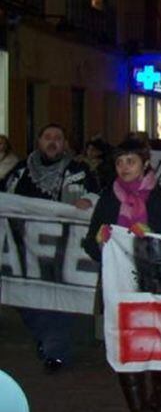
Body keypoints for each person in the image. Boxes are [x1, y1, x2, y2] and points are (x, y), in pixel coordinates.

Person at [83, 138, 161, 412]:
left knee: (158, 342)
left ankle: (157, 394)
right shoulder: (108, 198)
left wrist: (151, 235)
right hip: (120, 287)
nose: (124, 167)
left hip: (157, 285)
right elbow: (91, 246)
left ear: (145, 164)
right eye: (119, 162)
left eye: (131, 161)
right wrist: (98, 240)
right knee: (126, 347)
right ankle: (138, 409)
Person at [1, 124, 99, 373]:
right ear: (39, 141)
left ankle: (56, 351)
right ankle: (47, 340)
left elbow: (97, 194)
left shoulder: (78, 170)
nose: (52, 142)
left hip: (63, 250)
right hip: (25, 250)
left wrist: (89, 200)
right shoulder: (20, 171)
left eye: (58, 137)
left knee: (59, 299)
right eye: (48, 138)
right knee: (26, 297)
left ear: (65, 143)